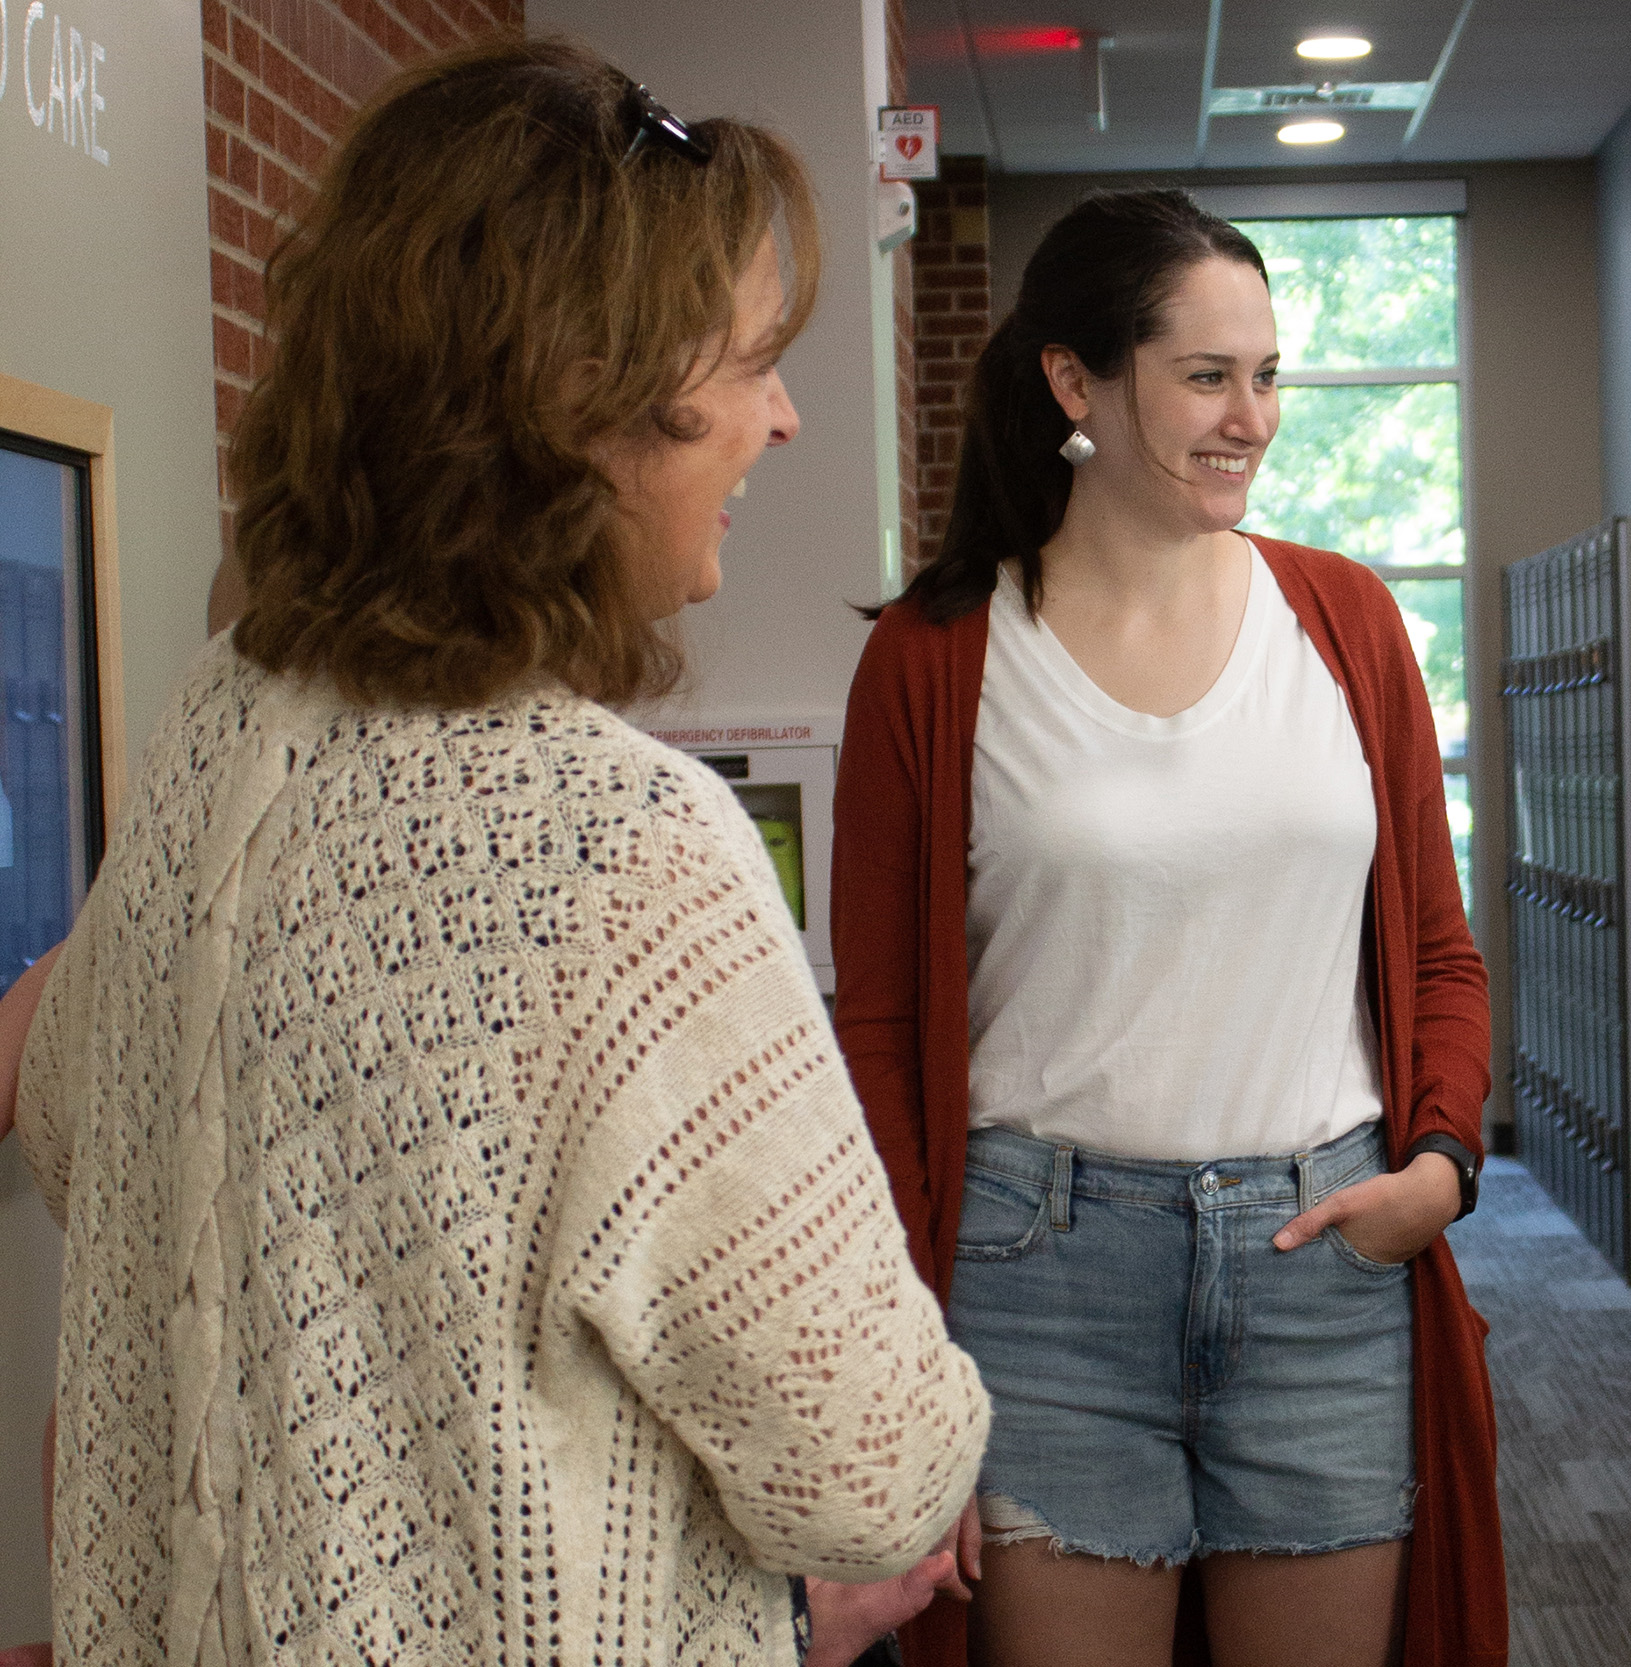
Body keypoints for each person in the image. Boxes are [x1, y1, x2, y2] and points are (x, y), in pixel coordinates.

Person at [9, 41, 990, 1667]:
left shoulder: (214, 744)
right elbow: (873, 1468)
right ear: (585, 412)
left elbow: (80, 1124)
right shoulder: (629, 851)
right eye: (750, 362)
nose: (784, 415)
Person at [830, 189, 1504, 1667]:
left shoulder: (1346, 621)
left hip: (1323, 1257)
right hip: (1038, 1279)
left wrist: (1443, 1167)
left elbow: (1440, 954)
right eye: (1206, 375)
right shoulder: (935, 658)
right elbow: (876, 1033)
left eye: (1267, 374)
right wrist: (897, 1349)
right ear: (1077, 380)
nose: (1249, 416)